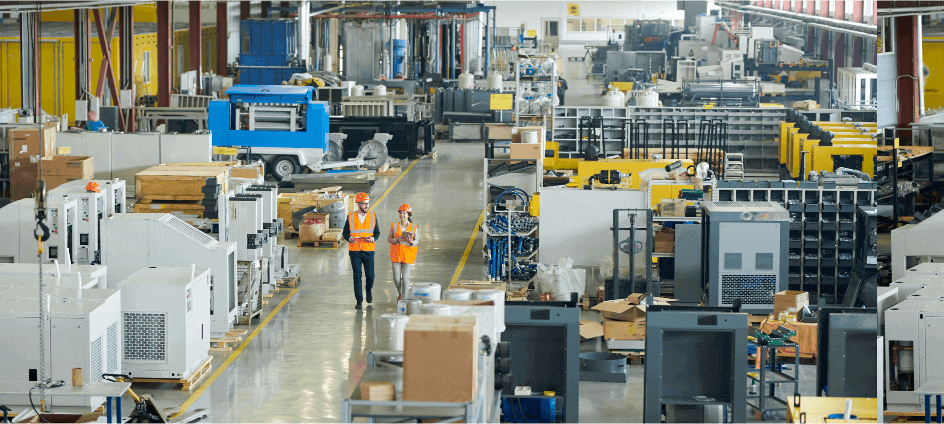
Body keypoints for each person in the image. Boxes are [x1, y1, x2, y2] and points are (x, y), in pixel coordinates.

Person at [341, 192, 380, 309]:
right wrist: (349, 238)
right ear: (358, 204)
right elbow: (345, 233)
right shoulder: (351, 217)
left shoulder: (373, 216)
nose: (367, 206)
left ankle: (368, 290)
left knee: (370, 276)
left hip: (368, 251)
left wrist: (373, 239)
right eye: (364, 204)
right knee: (357, 276)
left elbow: (377, 232)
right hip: (355, 251)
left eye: (367, 204)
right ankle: (359, 300)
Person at [388, 204, 418, 300]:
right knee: (396, 279)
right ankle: (401, 293)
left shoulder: (414, 227)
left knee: (405, 279)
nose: (402, 215)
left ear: (408, 215)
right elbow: (389, 239)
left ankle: (404, 299)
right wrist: (396, 240)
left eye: (404, 213)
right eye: (400, 213)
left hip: (408, 255)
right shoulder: (394, 226)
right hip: (396, 255)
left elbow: (417, 241)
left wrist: (411, 242)